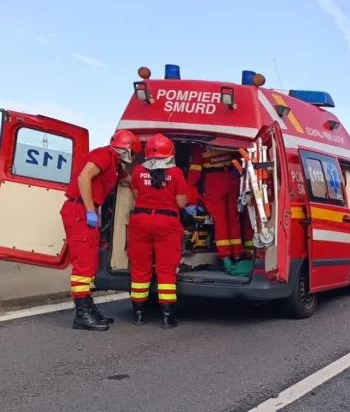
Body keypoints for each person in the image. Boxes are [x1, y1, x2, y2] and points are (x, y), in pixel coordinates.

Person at [61, 129, 141, 331]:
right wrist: (90, 210)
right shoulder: (104, 155)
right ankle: (82, 314)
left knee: (89, 263)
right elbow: (83, 178)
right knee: (83, 265)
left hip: (83, 210)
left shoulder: (114, 163)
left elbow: (129, 180)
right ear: (129, 150)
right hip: (80, 210)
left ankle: (87, 307)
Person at [128, 134, 188, 328]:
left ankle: (138, 313)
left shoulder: (137, 171)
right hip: (166, 223)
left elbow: (136, 195)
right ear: (170, 152)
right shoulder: (177, 173)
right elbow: (180, 202)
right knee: (166, 270)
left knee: (140, 269)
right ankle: (167, 316)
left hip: (140, 220)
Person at [187, 146, 250, 275]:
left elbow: (195, 170)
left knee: (221, 221)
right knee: (234, 220)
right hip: (232, 178)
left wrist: (188, 189)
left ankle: (225, 257)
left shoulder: (200, 144)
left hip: (214, 180)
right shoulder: (228, 141)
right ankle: (237, 254)